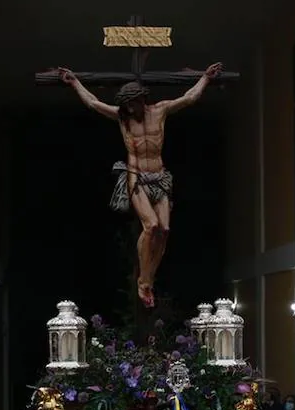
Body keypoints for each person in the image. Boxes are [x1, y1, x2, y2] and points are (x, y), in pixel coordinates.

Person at [57, 62, 223, 307]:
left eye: (132, 104)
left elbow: (189, 98)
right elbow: (93, 103)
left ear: (141, 100)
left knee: (165, 229)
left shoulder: (160, 111)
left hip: (160, 176)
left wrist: (206, 79)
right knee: (151, 225)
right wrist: (74, 83)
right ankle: (143, 281)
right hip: (136, 176)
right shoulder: (122, 119)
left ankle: (149, 278)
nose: (129, 109)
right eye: (126, 105)